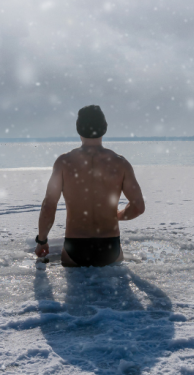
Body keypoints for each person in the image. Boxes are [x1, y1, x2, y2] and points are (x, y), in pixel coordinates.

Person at [35, 105, 145, 267]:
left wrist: (42, 241)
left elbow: (49, 206)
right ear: (104, 128)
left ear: (78, 129)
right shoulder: (120, 163)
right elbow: (138, 207)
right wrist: (119, 215)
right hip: (109, 247)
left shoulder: (64, 163)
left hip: (75, 247)